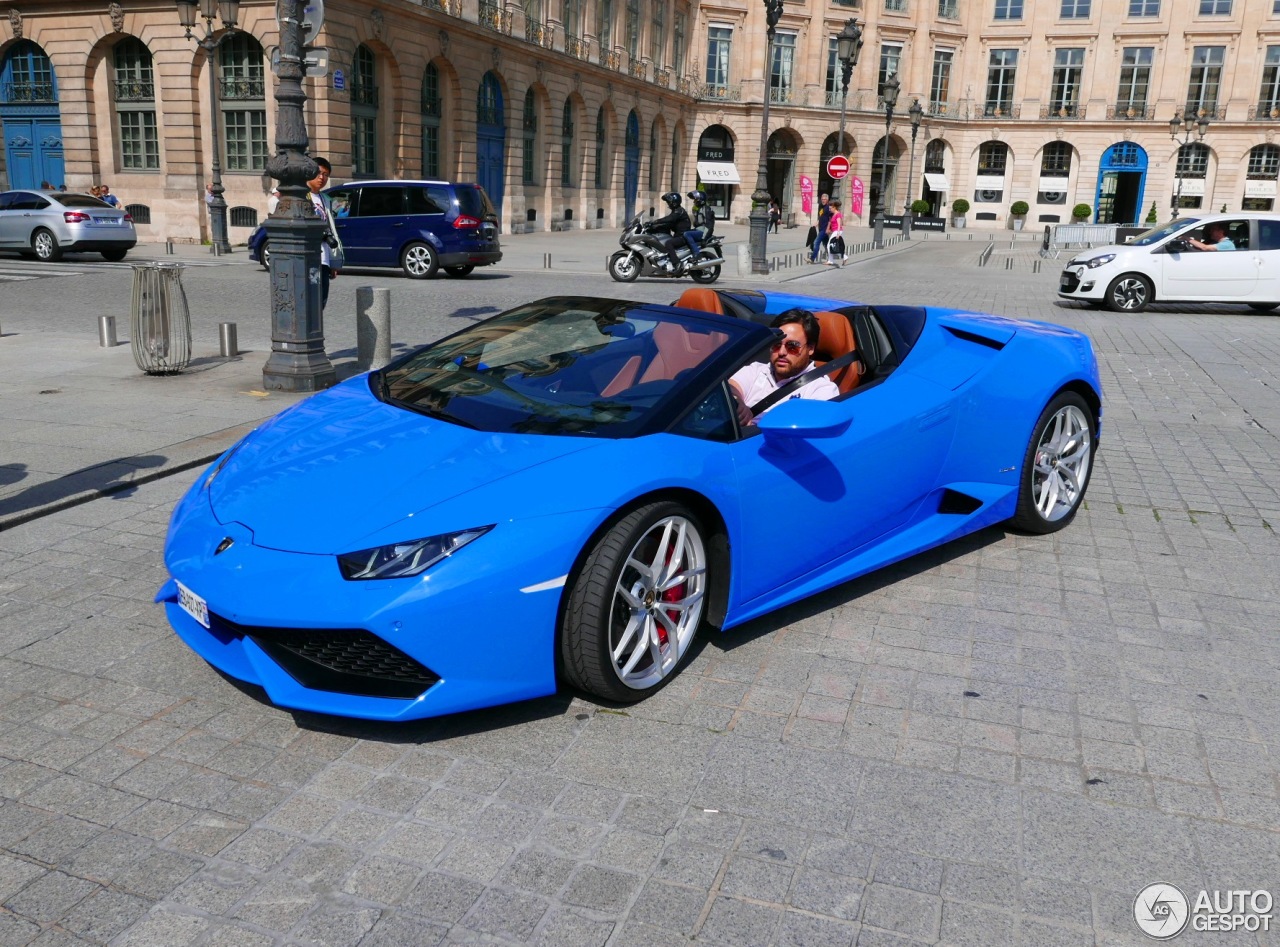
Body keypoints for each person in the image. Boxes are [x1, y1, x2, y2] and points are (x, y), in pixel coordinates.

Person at [728, 309, 838, 424]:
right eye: (776, 344)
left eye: (792, 346)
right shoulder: (756, 370)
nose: (781, 352)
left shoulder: (821, 389)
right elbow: (731, 387)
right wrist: (736, 400)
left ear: (810, 348)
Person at [308, 156, 343, 311]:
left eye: (326, 174)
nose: (322, 177)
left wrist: (333, 262)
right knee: (310, 302)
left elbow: (331, 229)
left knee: (321, 302)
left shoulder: (325, 198)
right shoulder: (300, 197)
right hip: (309, 257)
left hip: (324, 258)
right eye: (318, 173)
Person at [646, 191, 692, 272]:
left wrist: (655, 222)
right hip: (679, 235)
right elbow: (669, 224)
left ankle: (676, 263)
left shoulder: (679, 211)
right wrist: (654, 227)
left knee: (668, 243)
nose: (668, 203)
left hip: (683, 236)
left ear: (674, 202)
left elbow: (669, 219)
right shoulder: (676, 211)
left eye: (669, 202)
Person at [683, 190, 715, 262]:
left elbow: (709, 226)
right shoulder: (700, 209)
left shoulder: (706, 209)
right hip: (698, 230)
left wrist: (704, 238)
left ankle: (697, 254)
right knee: (683, 233)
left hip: (703, 233)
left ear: (701, 200)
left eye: (696, 200)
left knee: (687, 234)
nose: (694, 202)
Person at [810, 192, 832, 263]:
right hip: (821, 228)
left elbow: (831, 219)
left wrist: (829, 228)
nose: (823, 200)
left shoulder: (829, 208)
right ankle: (831, 258)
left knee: (816, 242)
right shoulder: (821, 207)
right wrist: (816, 224)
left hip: (825, 229)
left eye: (824, 199)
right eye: (822, 199)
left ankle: (812, 259)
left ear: (827, 200)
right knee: (826, 244)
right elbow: (820, 217)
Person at [825, 200, 845, 266]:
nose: (829, 209)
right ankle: (844, 257)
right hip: (835, 231)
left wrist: (838, 233)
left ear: (834, 207)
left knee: (829, 245)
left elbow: (839, 224)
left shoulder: (838, 214)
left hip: (837, 231)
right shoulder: (834, 214)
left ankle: (831, 261)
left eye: (830, 208)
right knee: (833, 245)